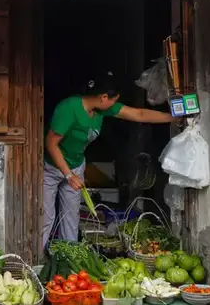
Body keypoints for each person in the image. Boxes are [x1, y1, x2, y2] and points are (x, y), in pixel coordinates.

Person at [43, 72, 178, 248]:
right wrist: (68, 175)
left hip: (75, 165)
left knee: (70, 216)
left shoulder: (101, 109)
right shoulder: (69, 109)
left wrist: (171, 118)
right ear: (103, 97)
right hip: (52, 167)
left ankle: (68, 255)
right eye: (114, 100)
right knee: (46, 217)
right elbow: (51, 144)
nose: (115, 105)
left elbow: (139, 114)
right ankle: (37, 259)